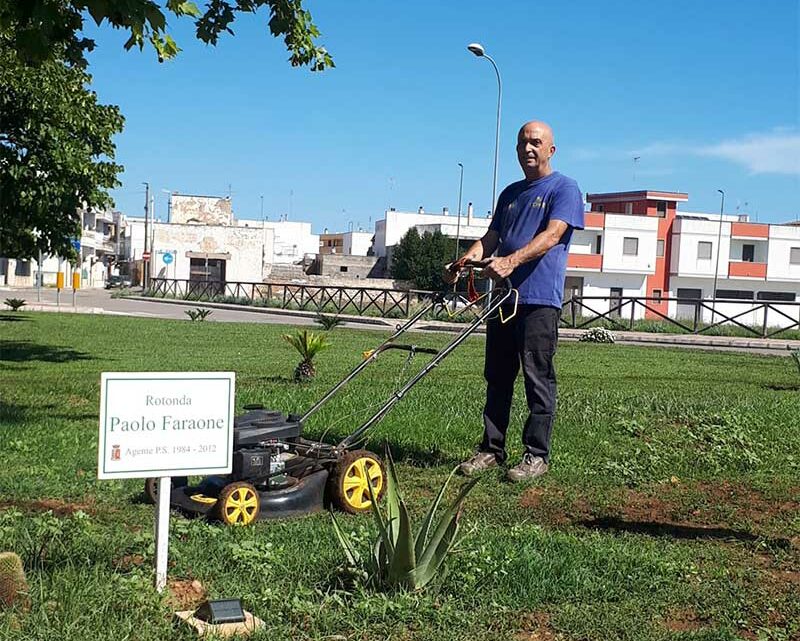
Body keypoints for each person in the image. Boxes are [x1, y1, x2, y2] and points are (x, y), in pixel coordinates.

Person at [445, 120, 584, 482]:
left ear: (551, 149)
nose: (528, 149)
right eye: (522, 143)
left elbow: (553, 235)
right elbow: (491, 237)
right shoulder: (509, 193)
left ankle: (536, 455)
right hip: (503, 301)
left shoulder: (564, 188)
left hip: (538, 302)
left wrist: (511, 262)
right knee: (497, 377)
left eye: (536, 142)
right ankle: (491, 449)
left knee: (538, 379)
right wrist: (465, 261)